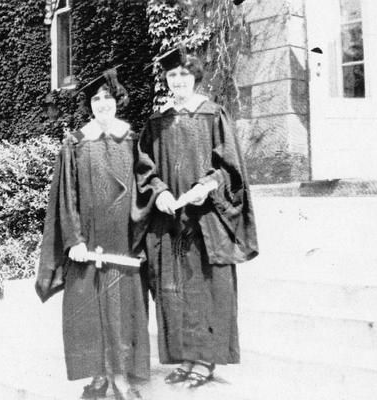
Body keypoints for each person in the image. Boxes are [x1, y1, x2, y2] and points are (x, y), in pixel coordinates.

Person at [135, 46, 259, 389]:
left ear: (195, 78)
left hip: (206, 218)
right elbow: (144, 168)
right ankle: (186, 358)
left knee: (206, 287)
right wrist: (159, 191)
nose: (178, 81)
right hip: (169, 218)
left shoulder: (212, 114)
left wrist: (206, 186)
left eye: (184, 75)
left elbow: (230, 168)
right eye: (172, 76)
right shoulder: (157, 122)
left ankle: (205, 360)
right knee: (174, 288)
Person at [36, 68, 150, 400]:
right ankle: (100, 375)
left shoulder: (131, 139)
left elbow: (145, 187)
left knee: (121, 309)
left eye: (108, 97)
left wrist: (141, 232)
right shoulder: (75, 142)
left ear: (117, 102)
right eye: (96, 99)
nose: (102, 104)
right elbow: (66, 195)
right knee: (90, 310)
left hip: (122, 241)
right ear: (90, 105)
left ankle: (122, 379)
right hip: (87, 242)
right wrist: (73, 240)